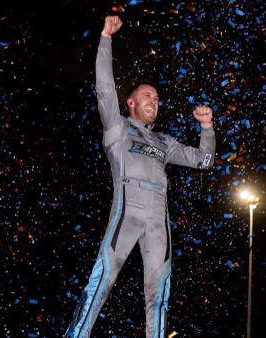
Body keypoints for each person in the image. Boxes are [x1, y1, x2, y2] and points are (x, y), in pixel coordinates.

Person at [65, 16, 216, 338]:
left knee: (159, 294)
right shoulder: (118, 129)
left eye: (157, 98)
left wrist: (206, 128)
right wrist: (106, 38)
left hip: (158, 220)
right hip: (127, 211)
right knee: (102, 280)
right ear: (131, 102)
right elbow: (104, 87)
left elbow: (204, 161)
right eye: (147, 96)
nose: (154, 101)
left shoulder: (164, 142)